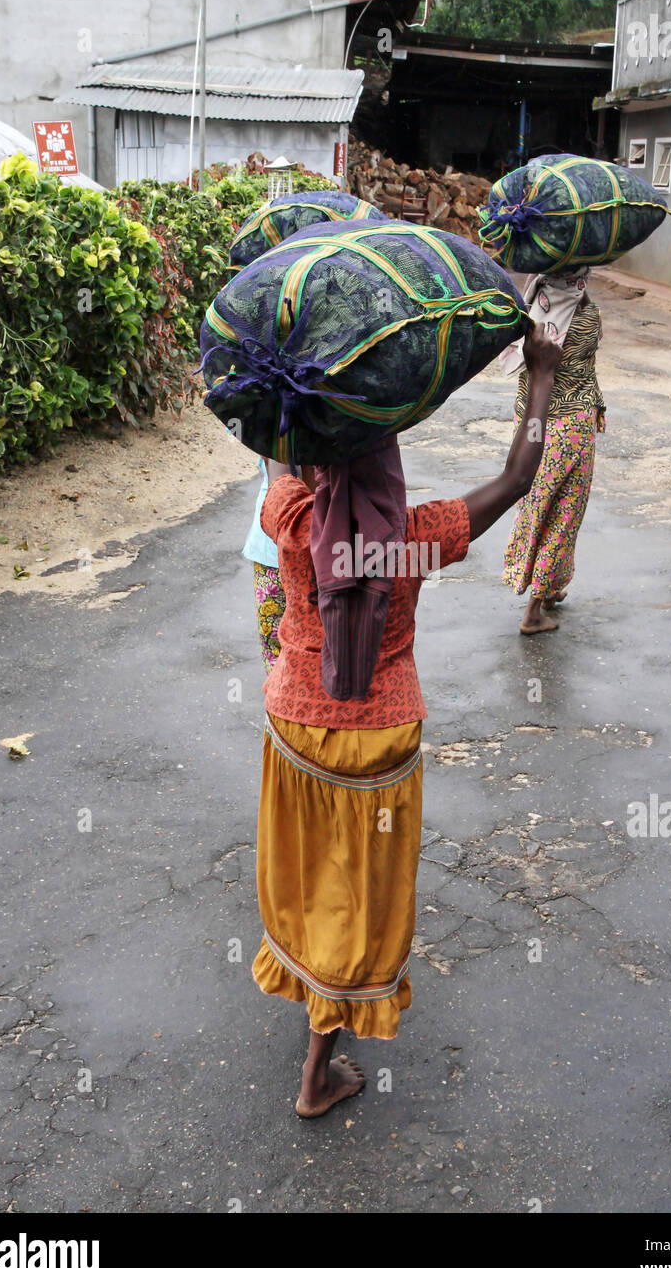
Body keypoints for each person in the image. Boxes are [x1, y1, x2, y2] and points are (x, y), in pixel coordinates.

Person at [251, 322, 561, 1118]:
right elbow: (521, 476)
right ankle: (317, 1069)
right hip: (379, 739)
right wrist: (540, 372)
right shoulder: (417, 537)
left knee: (311, 875)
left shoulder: (290, 513)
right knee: (359, 891)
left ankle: (314, 1018)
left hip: (292, 721)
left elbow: (281, 451)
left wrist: (297, 385)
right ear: (388, 466)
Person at [501, 266, 606, 634]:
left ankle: (547, 591)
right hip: (570, 429)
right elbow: (585, 317)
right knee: (563, 515)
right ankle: (533, 612)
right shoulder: (587, 320)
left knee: (534, 509)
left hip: (529, 427)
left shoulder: (531, 319)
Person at [242, 458, 286, 673]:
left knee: (275, 654)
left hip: (272, 549)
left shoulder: (269, 426)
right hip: (327, 549)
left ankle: (280, 704)